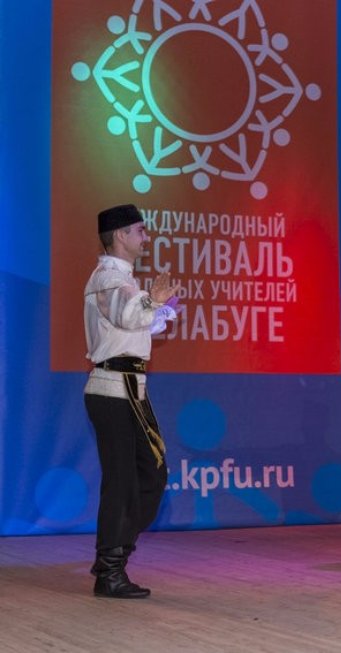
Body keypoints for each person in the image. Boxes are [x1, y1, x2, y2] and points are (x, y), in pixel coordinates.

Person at [83, 203, 180, 598]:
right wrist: (152, 302)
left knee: (150, 476)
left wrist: (158, 309)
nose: (146, 237)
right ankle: (110, 569)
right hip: (113, 389)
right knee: (123, 482)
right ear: (121, 235)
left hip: (129, 389)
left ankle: (113, 556)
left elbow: (133, 323)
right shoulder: (107, 277)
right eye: (140, 230)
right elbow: (127, 314)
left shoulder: (121, 279)